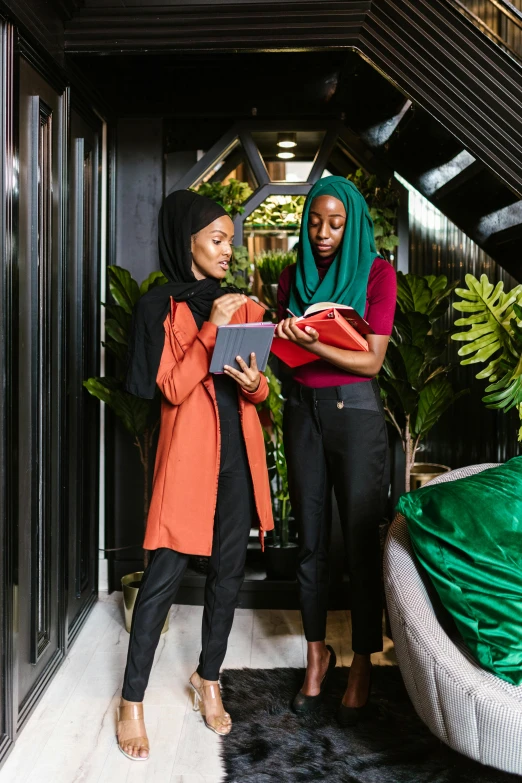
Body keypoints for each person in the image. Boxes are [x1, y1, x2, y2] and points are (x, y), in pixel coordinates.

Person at [117, 190, 273, 760]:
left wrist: (253, 380)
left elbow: (257, 392)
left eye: (231, 240)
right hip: (188, 459)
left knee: (228, 573)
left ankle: (208, 677)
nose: (228, 250)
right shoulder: (163, 308)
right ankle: (131, 699)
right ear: (187, 243)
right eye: (216, 239)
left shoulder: (244, 304)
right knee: (162, 575)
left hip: (237, 456)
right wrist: (212, 329)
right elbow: (174, 388)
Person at [276, 176, 397, 726]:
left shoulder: (377, 273)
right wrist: (277, 338)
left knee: (360, 544)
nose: (322, 233)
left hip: (357, 415)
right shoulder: (290, 275)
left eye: (335, 222)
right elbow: (283, 358)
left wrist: (314, 342)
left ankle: (364, 662)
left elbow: (371, 361)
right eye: (315, 221)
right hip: (302, 411)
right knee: (311, 541)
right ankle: (316, 654)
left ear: (351, 223)